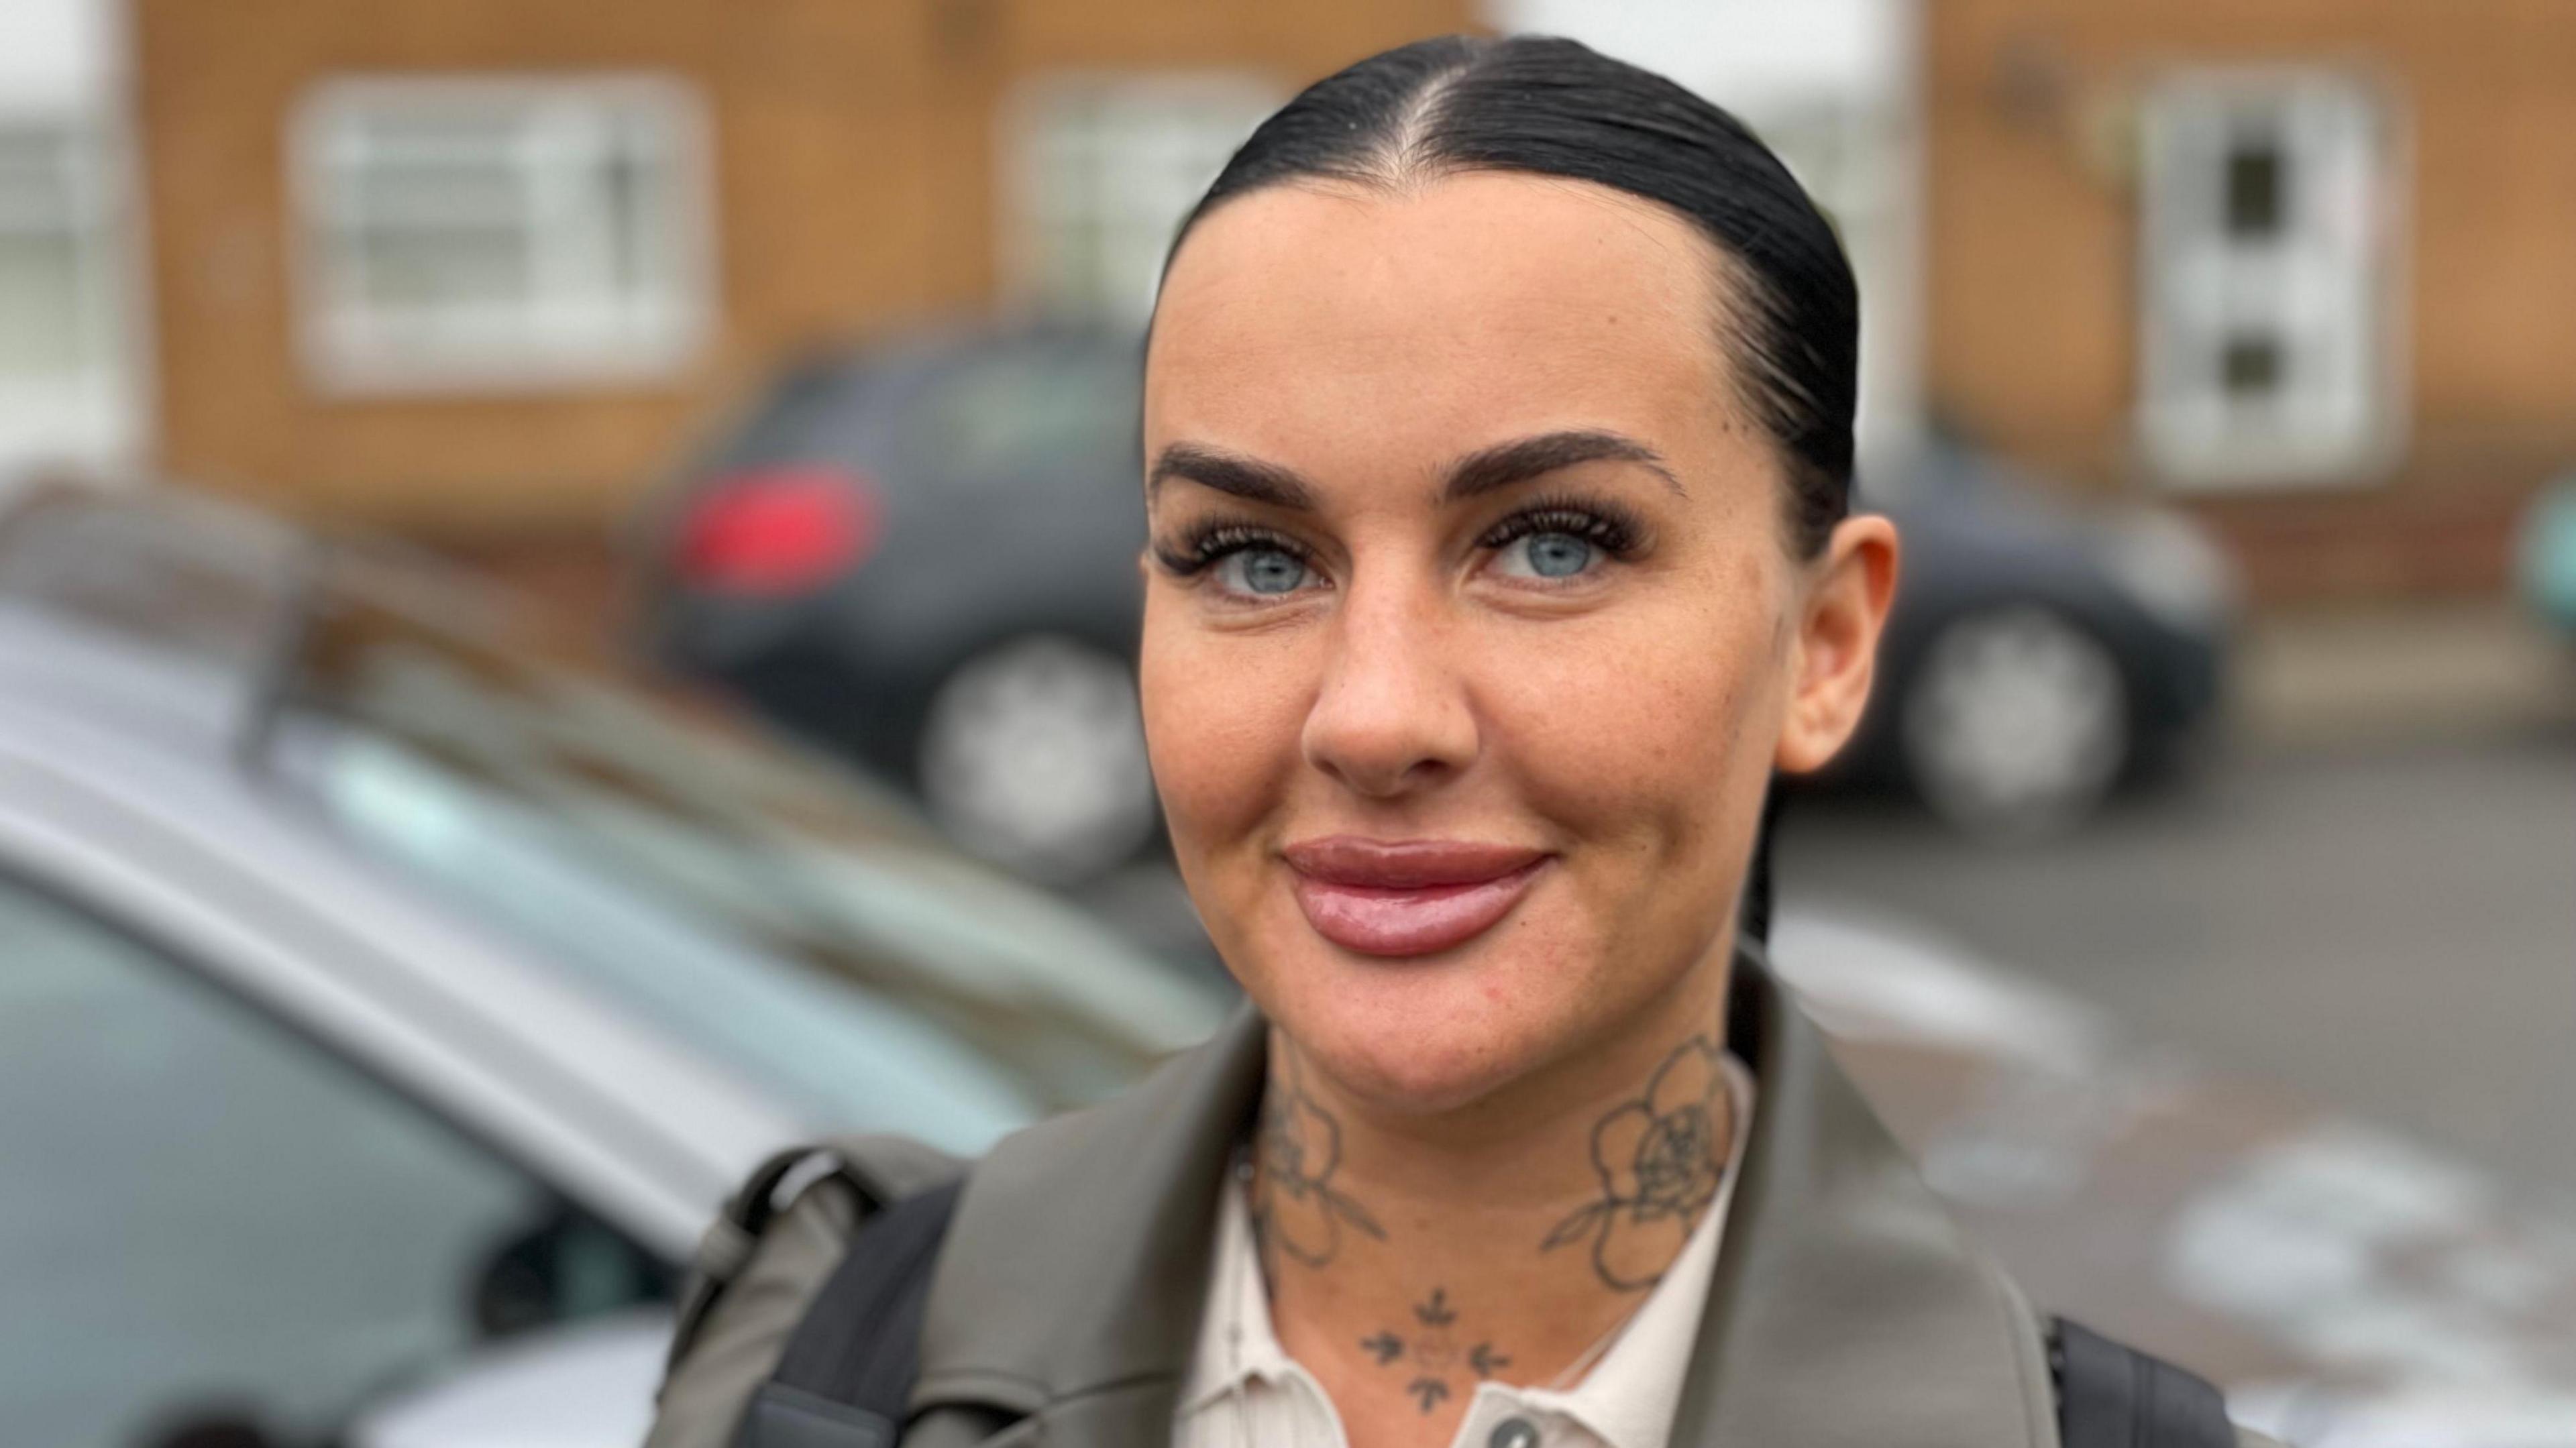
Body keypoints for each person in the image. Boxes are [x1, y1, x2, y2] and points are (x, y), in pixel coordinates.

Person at [647, 34, 2271, 1448]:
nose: (1376, 716)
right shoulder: (834, 1355)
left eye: (1554, 543)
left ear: (1826, 646)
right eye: (1252, 559)